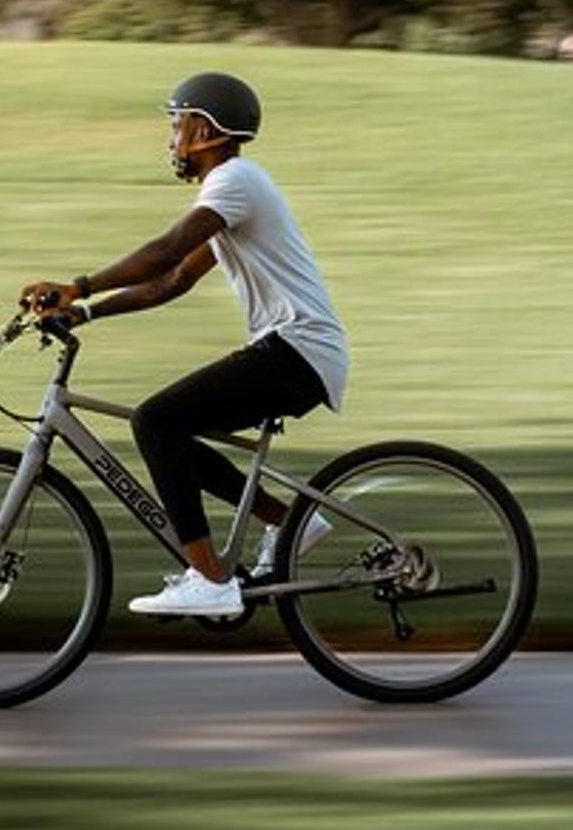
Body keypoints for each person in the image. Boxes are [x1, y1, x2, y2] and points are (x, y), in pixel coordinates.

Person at [19, 72, 348, 617]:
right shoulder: (232, 192)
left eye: (176, 125)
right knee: (170, 429)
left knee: (156, 421)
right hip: (297, 351)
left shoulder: (234, 180)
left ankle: (211, 580)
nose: (171, 138)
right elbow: (171, 282)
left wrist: (77, 284)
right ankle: (290, 522)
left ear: (204, 129)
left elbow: (168, 251)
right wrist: (84, 312)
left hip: (295, 350)